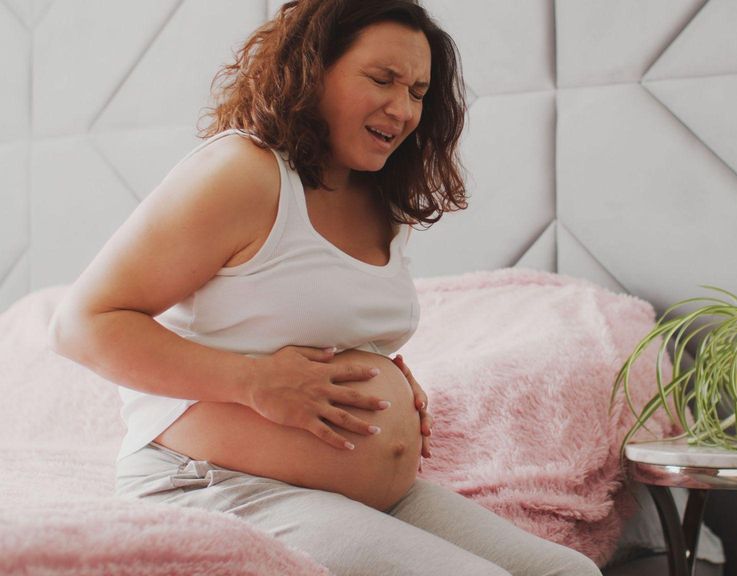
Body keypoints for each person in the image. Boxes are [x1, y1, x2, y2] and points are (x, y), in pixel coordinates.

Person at [48, 1, 601, 574]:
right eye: (382, 79)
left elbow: (302, 318)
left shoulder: (383, 199)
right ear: (313, 70)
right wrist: (257, 382)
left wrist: (384, 381)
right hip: (213, 483)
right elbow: (82, 325)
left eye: (417, 90)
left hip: (361, 493)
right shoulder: (244, 173)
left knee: (570, 572)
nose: (403, 108)